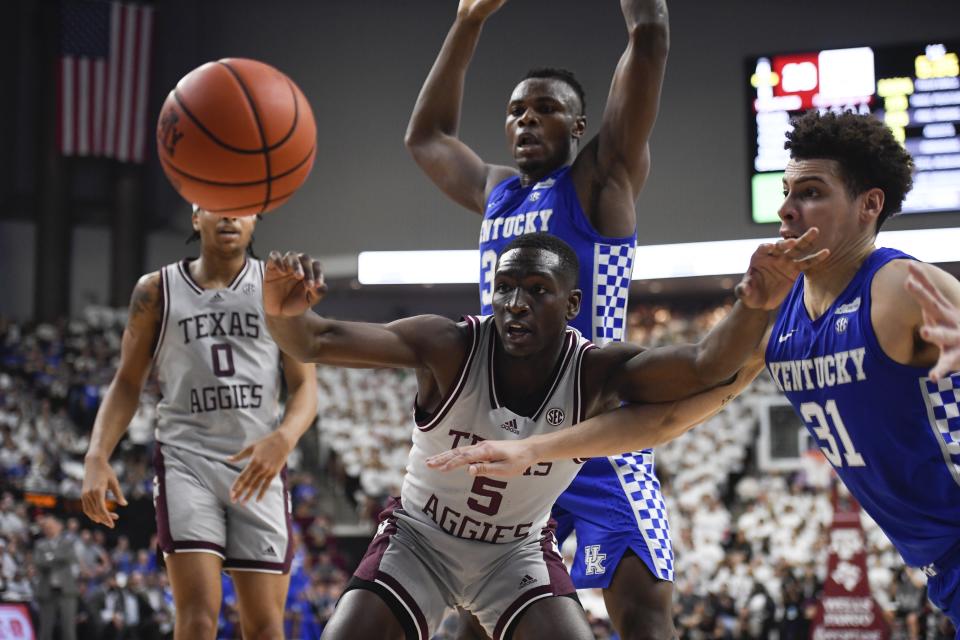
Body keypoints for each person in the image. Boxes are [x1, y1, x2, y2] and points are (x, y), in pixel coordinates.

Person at [429, 110, 960, 632]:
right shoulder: (778, 311)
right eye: (787, 191)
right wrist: (528, 449)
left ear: (869, 205)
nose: (787, 209)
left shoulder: (900, 286)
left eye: (812, 193)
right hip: (942, 560)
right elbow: (662, 421)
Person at [263, 230, 825, 640]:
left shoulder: (597, 371)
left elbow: (704, 365)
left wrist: (753, 304)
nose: (515, 304)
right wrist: (282, 314)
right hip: (420, 539)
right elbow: (316, 340)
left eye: (537, 289)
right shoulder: (448, 345)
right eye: (504, 287)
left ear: (573, 305)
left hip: (515, 551)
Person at [404, 0, 676, 635]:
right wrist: (468, 19)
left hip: (594, 420)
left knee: (643, 616)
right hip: (505, 433)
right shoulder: (496, 190)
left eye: (546, 108)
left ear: (580, 124)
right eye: (516, 110)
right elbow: (426, 139)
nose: (527, 118)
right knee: (466, 626)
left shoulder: (599, 181)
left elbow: (651, 35)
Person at [80, 207, 318, 640]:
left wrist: (284, 437)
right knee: (196, 617)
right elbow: (127, 381)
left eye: (240, 209)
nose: (228, 218)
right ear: (193, 217)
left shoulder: (277, 286)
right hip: (186, 461)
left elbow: (305, 387)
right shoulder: (155, 289)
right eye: (215, 206)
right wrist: (97, 453)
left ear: (255, 221)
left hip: (257, 466)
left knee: (266, 625)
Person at [34, 515, 80, 640]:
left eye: (51, 526)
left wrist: (51, 557)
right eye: (46, 527)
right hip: (46, 591)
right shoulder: (39, 544)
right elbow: (39, 563)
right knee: (45, 629)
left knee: (69, 630)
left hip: (67, 591)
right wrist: (57, 558)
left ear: (59, 527)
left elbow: (69, 557)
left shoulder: (68, 543)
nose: (49, 529)